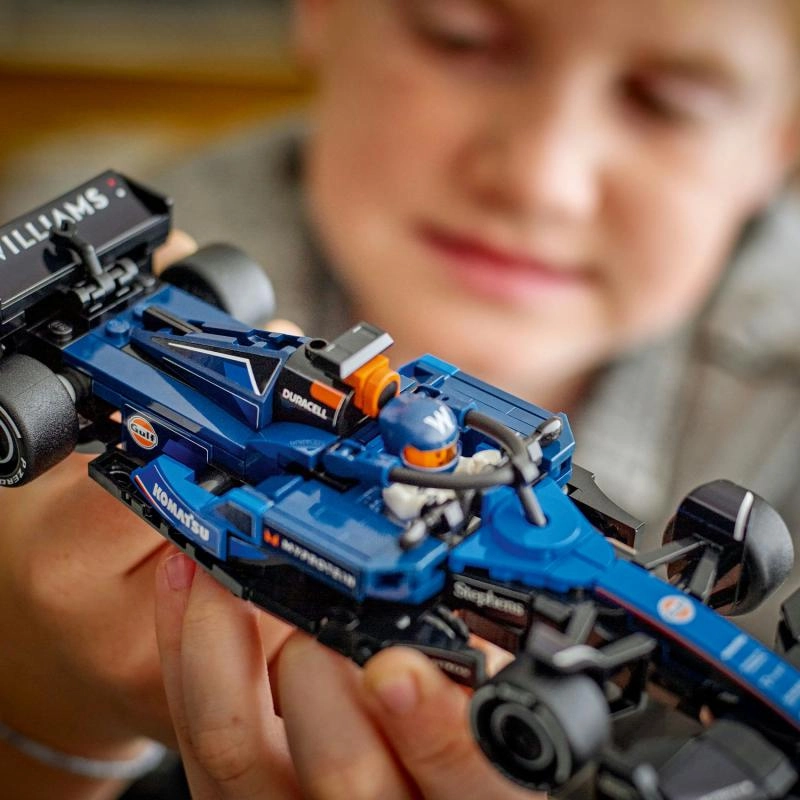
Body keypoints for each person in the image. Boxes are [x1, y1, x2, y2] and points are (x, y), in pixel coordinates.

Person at [2, 0, 800, 797]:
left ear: (785, 138)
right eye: (461, 39)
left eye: (669, 103)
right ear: (320, 14)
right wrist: (42, 715)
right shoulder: (74, 194)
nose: (539, 180)